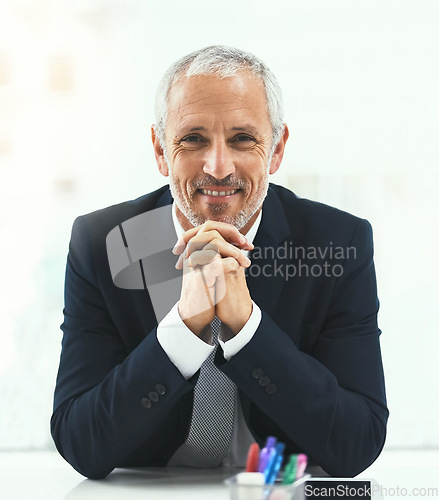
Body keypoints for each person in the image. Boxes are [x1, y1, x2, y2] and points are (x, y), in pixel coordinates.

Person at [51, 45, 388, 479]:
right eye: (193, 139)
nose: (218, 166)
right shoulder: (102, 243)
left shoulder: (339, 242)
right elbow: (80, 442)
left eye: (242, 139)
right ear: (159, 149)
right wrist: (182, 330)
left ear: (277, 149)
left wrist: (247, 326)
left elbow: (357, 443)